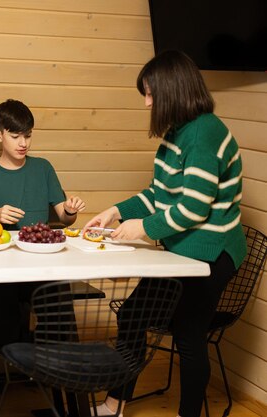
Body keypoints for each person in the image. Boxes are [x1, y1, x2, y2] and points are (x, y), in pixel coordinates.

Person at [84, 50, 246, 417]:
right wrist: (115, 211)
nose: (147, 102)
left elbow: (194, 208)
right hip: (182, 250)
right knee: (132, 315)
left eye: (150, 93)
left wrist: (142, 227)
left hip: (212, 253)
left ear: (172, 90)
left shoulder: (205, 133)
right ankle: (115, 404)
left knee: (189, 336)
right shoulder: (177, 134)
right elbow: (160, 194)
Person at [0, 99, 86, 347]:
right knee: (5, 312)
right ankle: (3, 372)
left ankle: (60, 372)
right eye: (16, 136)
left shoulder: (43, 168)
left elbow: (64, 217)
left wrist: (71, 211)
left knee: (59, 308)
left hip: (42, 261)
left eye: (28, 136)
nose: (23, 143)